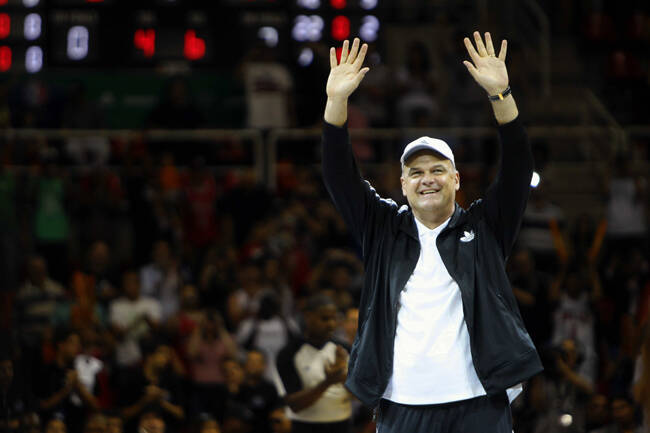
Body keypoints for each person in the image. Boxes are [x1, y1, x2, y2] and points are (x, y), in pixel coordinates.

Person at [321, 34, 543, 432]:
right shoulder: (383, 228)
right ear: (402, 184)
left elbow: (518, 170)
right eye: (416, 172)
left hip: (480, 400)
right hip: (403, 404)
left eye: (438, 170)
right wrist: (336, 102)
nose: (428, 179)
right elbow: (339, 175)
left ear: (456, 179)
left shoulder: (484, 226)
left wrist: (501, 96)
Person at [276, 294, 351, 433]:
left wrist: (344, 379)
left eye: (334, 318)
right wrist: (327, 383)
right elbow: (294, 405)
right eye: (325, 319)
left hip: (342, 425)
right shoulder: (289, 353)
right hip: (306, 427)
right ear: (308, 316)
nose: (331, 324)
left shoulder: (344, 350)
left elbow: (361, 397)